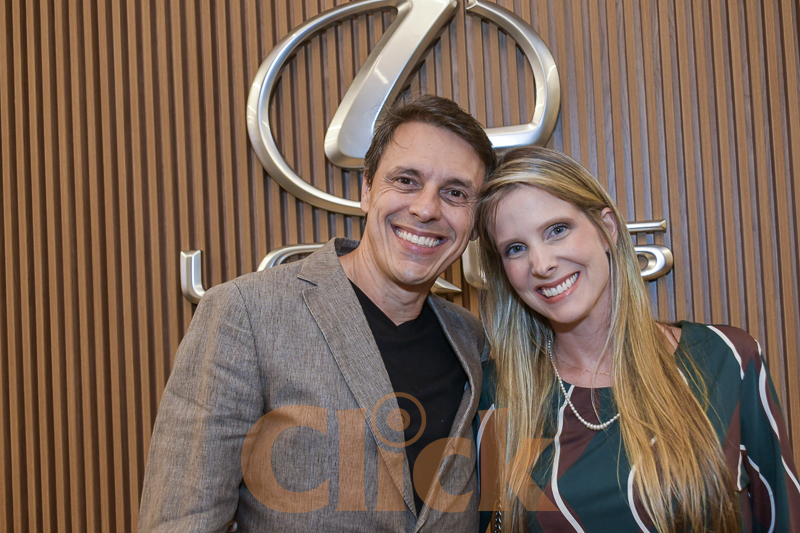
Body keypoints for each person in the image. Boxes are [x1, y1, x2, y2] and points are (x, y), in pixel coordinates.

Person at [138, 94, 496, 532]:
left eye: (455, 193)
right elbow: (182, 520)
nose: (426, 208)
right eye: (406, 180)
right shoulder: (246, 313)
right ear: (367, 190)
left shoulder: (470, 339)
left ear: (474, 220)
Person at [474, 146, 800, 532]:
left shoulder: (727, 359)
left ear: (607, 228)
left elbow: (782, 517)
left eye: (557, 230)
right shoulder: (496, 394)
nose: (541, 264)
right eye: (516, 249)